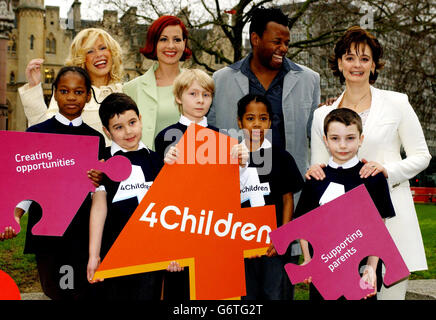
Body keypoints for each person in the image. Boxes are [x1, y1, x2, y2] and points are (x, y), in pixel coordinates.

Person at [307, 26, 431, 300]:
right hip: (342, 232)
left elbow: (422, 155)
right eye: (350, 58)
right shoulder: (322, 115)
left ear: (374, 64)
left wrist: (388, 172)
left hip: (392, 219)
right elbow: (319, 172)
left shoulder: (397, 103)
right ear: (339, 63)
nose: (357, 65)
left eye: (364, 58)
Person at [207, 6, 320, 298]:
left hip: (285, 211)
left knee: (277, 292)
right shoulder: (219, 81)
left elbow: (315, 139)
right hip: (233, 221)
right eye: (276, 41)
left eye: (286, 42)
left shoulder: (309, 80)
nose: (283, 48)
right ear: (255, 39)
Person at [1, 66, 106, 300]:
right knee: (54, 291)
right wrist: (12, 217)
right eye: (64, 90)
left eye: (78, 92)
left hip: (81, 233)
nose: (71, 97)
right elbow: (24, 186)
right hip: (46, 235)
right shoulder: (36, 133)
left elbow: (99, 191)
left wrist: (99, 179)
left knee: (80, 291)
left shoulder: (96, 138)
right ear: (54, 93)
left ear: (88, 96)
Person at [295, 108, 396, 301]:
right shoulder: (316, 177)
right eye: (335, 138)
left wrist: (371, 268)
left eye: (350, 138)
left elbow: (379, 227)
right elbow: (303, 223)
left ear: (361, 139)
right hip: (323, 269)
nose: (343, 145)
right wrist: (308, 259)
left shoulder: (372, 177)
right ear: (325, 140)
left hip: (360, 270)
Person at [87, 93, 163, 300]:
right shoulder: (102, 163)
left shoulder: (157, 161)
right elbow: (98, 210)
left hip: (152, 255)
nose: (128, 131)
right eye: (118, 127)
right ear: (107, 131)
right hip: (115, 252)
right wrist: (94, 256)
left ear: (140, 119)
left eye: (132, 122)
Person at [237, 94, 304, 300]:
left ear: (270, 122)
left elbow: (287, 199)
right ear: (239, 122)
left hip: (272, 246)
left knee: (274, 294)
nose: (257, 124)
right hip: (240, 245)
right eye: (250, 118)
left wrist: (281, 236)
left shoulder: (281, 157)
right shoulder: (229, 157)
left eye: (263, 118)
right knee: (245, 296)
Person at [18, 28, 124, 146]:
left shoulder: (125, 91)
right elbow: (45, 134)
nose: (99, 55)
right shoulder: (70, 94)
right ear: (81, 59)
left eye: (103, 48)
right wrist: (34, 87)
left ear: (112, 52)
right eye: (90, 51)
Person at [123, 15, 192, 150]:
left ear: (184, 43)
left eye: (177, 39)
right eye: (163, 39)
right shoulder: (131, 88)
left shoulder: (197, 84)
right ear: (154, 43)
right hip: (149, 168)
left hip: (190, 167)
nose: (171, 46)